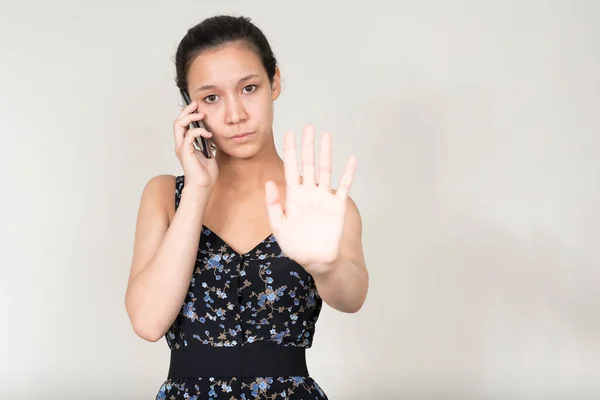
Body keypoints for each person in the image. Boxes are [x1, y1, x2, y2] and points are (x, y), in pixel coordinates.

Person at [124, 14, 369, 399]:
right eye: (211, 97)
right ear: (191, 108)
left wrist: (325, 266)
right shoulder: (165, 195)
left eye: (249, 88)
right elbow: (148, 322)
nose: (235, 114)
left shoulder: (319, 204)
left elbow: (352, 296)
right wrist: (198, 190)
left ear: (275, 82)